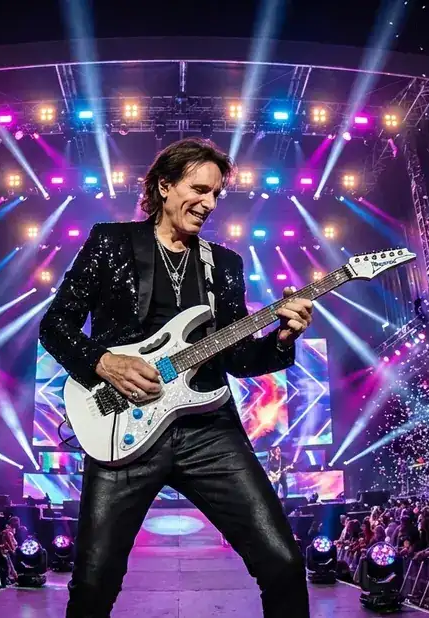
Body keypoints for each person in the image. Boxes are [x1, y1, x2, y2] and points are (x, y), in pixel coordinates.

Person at [39, 138, 314, 618]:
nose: (208, 203)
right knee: (94, 582)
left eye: (215, 196)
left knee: (284, 563)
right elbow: (55, 326)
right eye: (199, 189)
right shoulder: (110, 242)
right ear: (164, 186)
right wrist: (104, 362)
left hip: (208, 432)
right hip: (121, 426)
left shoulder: (224, 265)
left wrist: (283, 339)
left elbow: (237, 357)